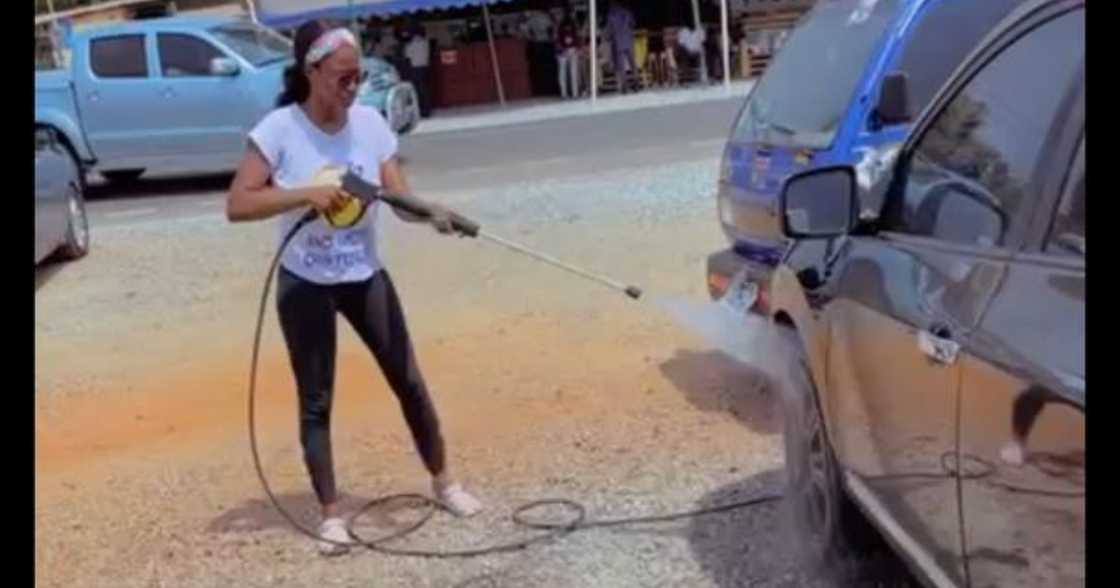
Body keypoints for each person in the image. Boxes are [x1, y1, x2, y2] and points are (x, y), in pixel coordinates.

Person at [226, 20, 483, 557]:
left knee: (408, 380)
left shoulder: (369, 123)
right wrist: (303, 193)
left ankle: (446, 483)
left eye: (358, 77)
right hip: (305, 281)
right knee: (316, 401)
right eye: (343, 77)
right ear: (312, 71)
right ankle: (331, 516)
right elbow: (239, 203)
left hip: (363, 275)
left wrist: (433, 213)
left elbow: (397, 198)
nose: (352, 87)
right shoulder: (279, 130)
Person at [605, 0, 637, 93]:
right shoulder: (627, 12)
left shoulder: (611, 15)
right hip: (628, 40)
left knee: (621, 66)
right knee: (632, 63)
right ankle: (636, 83)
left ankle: (625, 86)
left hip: (618, 42)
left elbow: (609, 30)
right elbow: (633, 24)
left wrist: (607, 37)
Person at [404, 26, 432, 117]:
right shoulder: (426, 42)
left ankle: (421, 110)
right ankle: (427, 110)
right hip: (425, 67)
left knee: (418, 90)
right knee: (425, 89)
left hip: (415, 69)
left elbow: (407, 57)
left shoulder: (410, 44)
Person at [554, 12, 579, 99]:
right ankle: (571, 93)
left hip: (567, 50)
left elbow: (557, 40)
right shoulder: (570, 26)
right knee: (570, 72)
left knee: (566, 73)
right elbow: (576, 38)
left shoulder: (561, 26)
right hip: (567, 50)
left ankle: (567, 93)